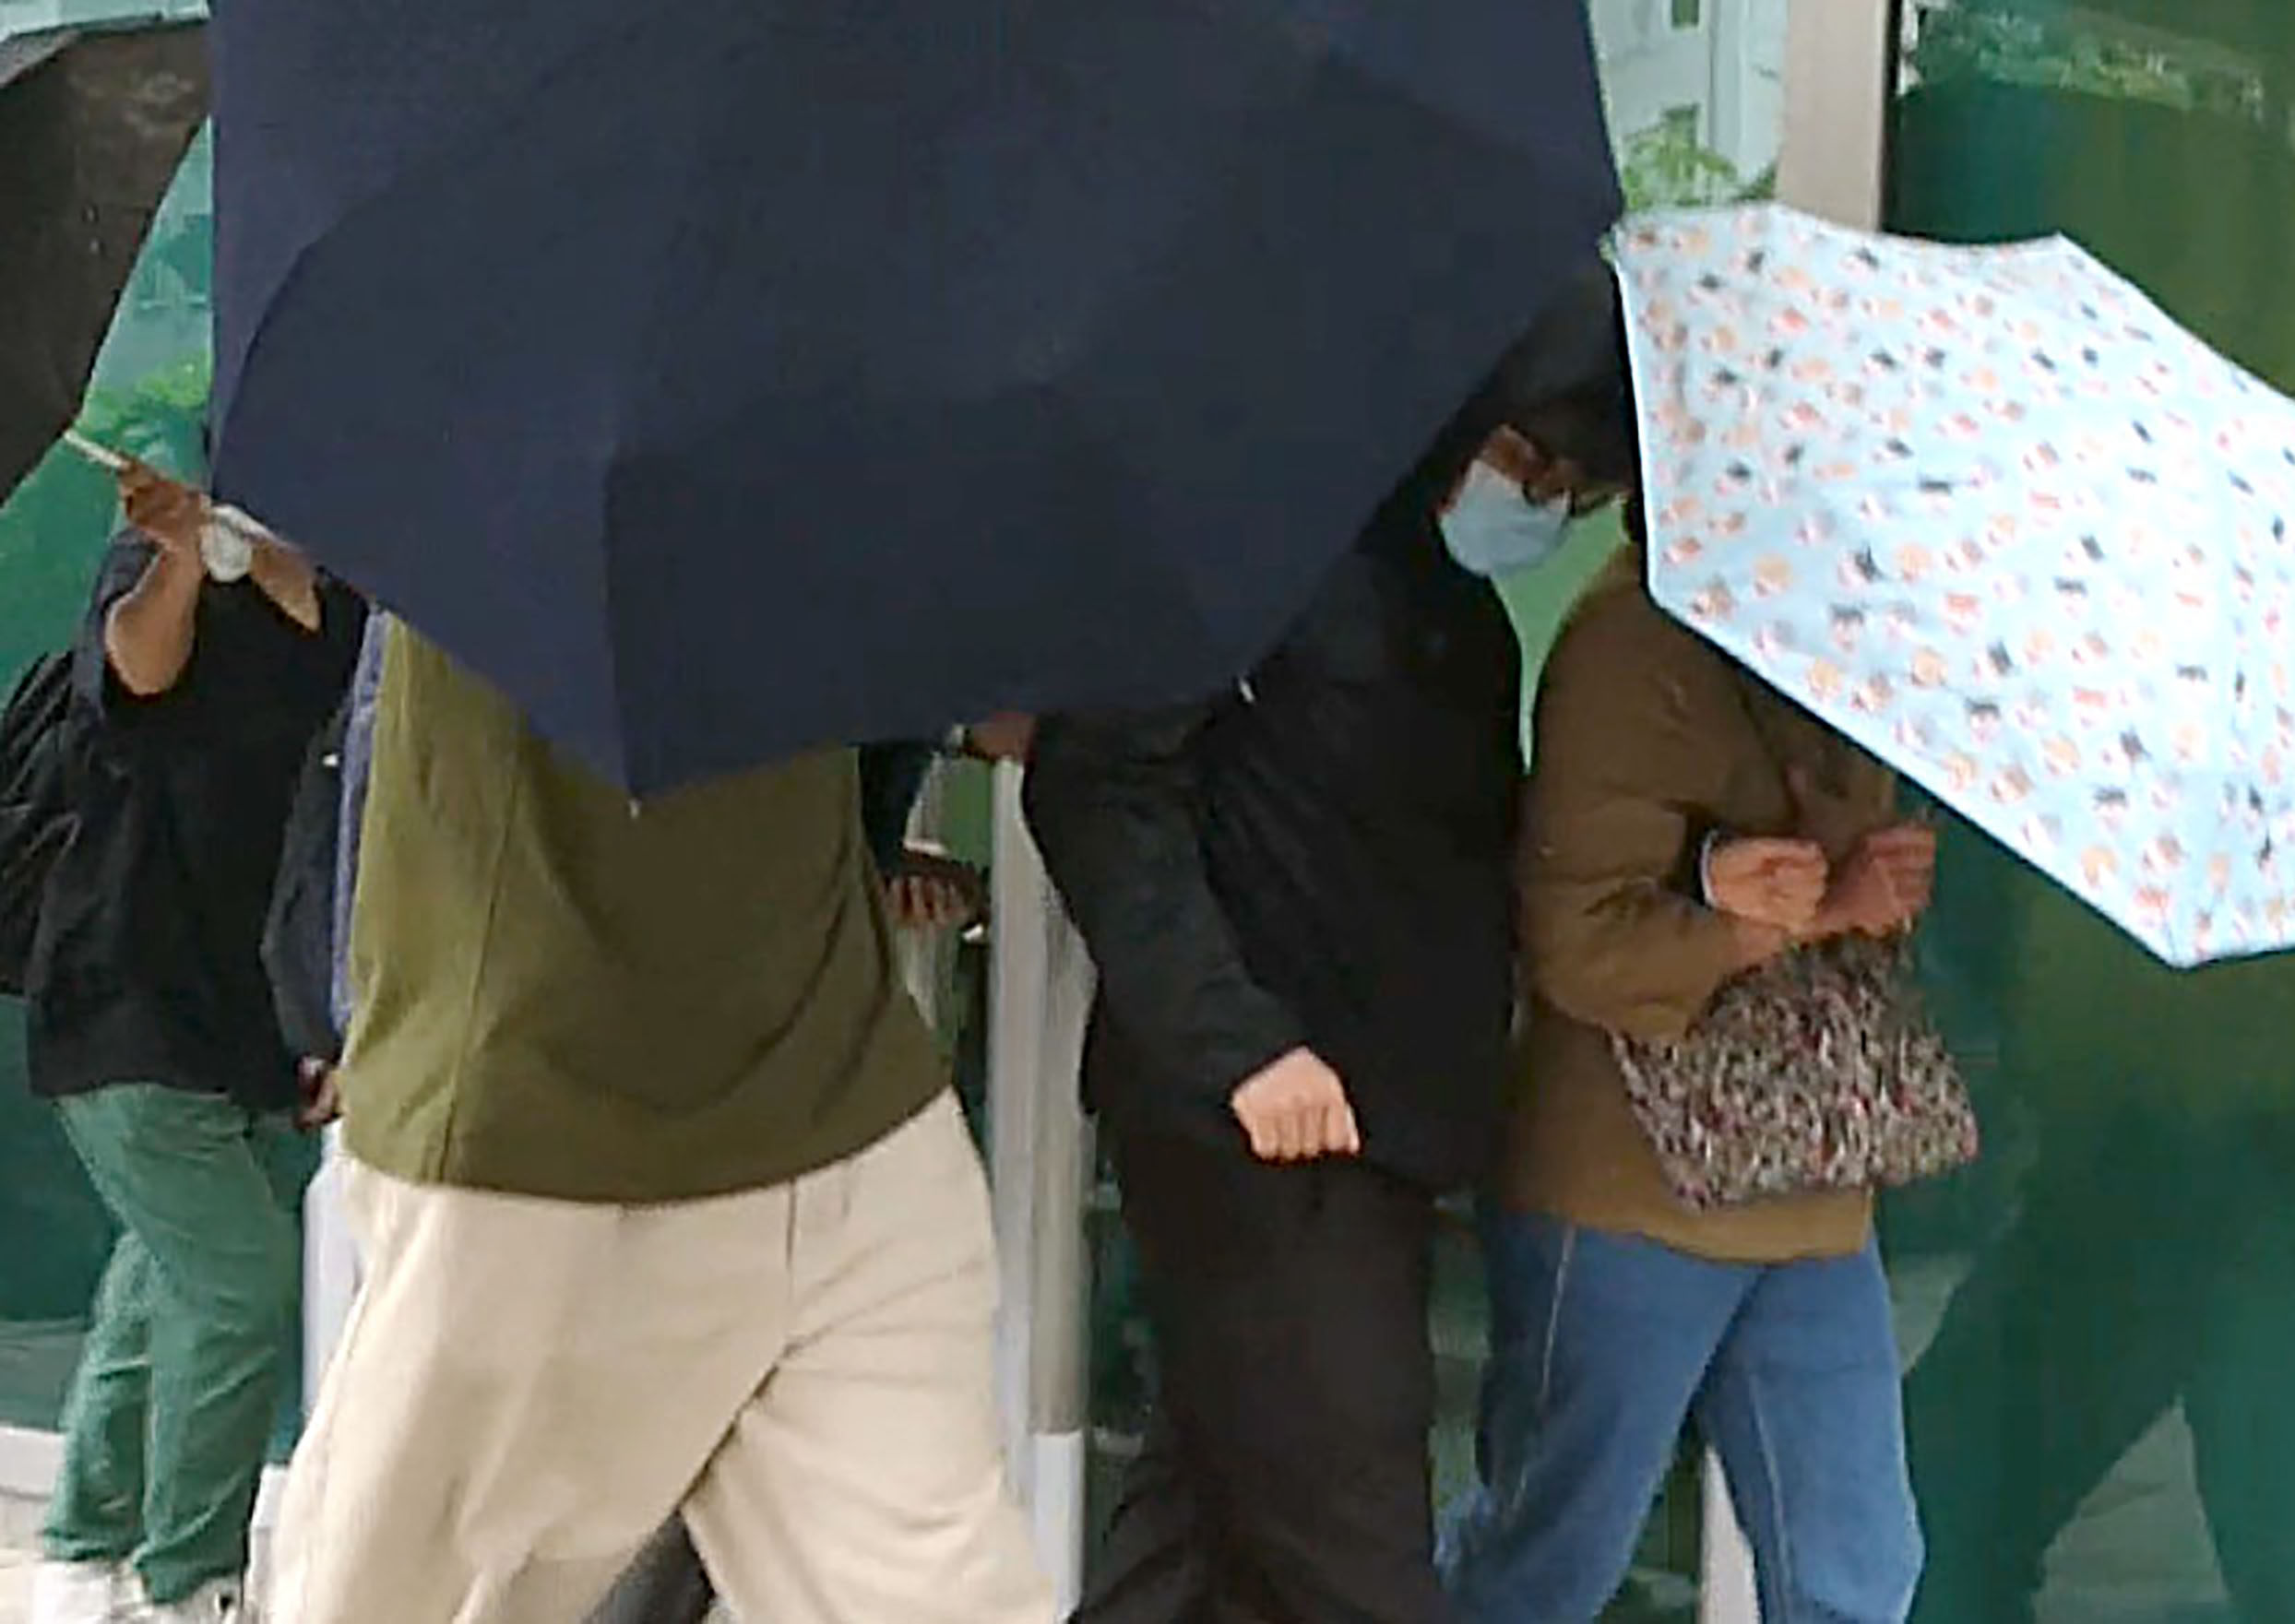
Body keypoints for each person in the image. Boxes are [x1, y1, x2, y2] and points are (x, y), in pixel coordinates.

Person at [1025, 264, 1635, 1624]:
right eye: (1527, 460)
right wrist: (1244, 1047)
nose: (1538, 501)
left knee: (1200, 1535)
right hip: (1267, 1139)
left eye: (1574, 492)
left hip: (1373, 1138)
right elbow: (1094, 786)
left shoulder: (1451, 613)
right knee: (1356, 1562)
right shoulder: (1255, 544)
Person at [262, 622, 1052, 1623]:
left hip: (845, 1109)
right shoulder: (474, 505)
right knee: (398, 1593)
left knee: (942, 1597)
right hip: (538, 1139)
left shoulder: (856, 500)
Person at [1440, 544, 1933, 1623]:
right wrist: (1753, 908)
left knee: (1860, 1565)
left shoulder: (1843, 644)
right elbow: (1577, 940)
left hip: (1807, 1186)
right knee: (1548, 1559)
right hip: (1629, 1186)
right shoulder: (1630, 642)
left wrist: (1858, 888)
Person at [1905, 829, 2295, 1623]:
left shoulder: (2072, 825)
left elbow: (2005, 994)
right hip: (2251, 1192)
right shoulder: (2289, 851)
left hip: (2114, 1186)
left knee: (1953, 1495)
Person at [26, 466, 365, 1624]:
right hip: (127, 991)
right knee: (238, 1283)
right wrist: (180, 553)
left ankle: (80, 1548)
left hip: (265, 1015)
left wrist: (335, 1014)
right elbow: (135, 671)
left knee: (164, 1276)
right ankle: (193, 1580)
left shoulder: (365, 604)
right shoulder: (170, 563)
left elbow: (361, 815)